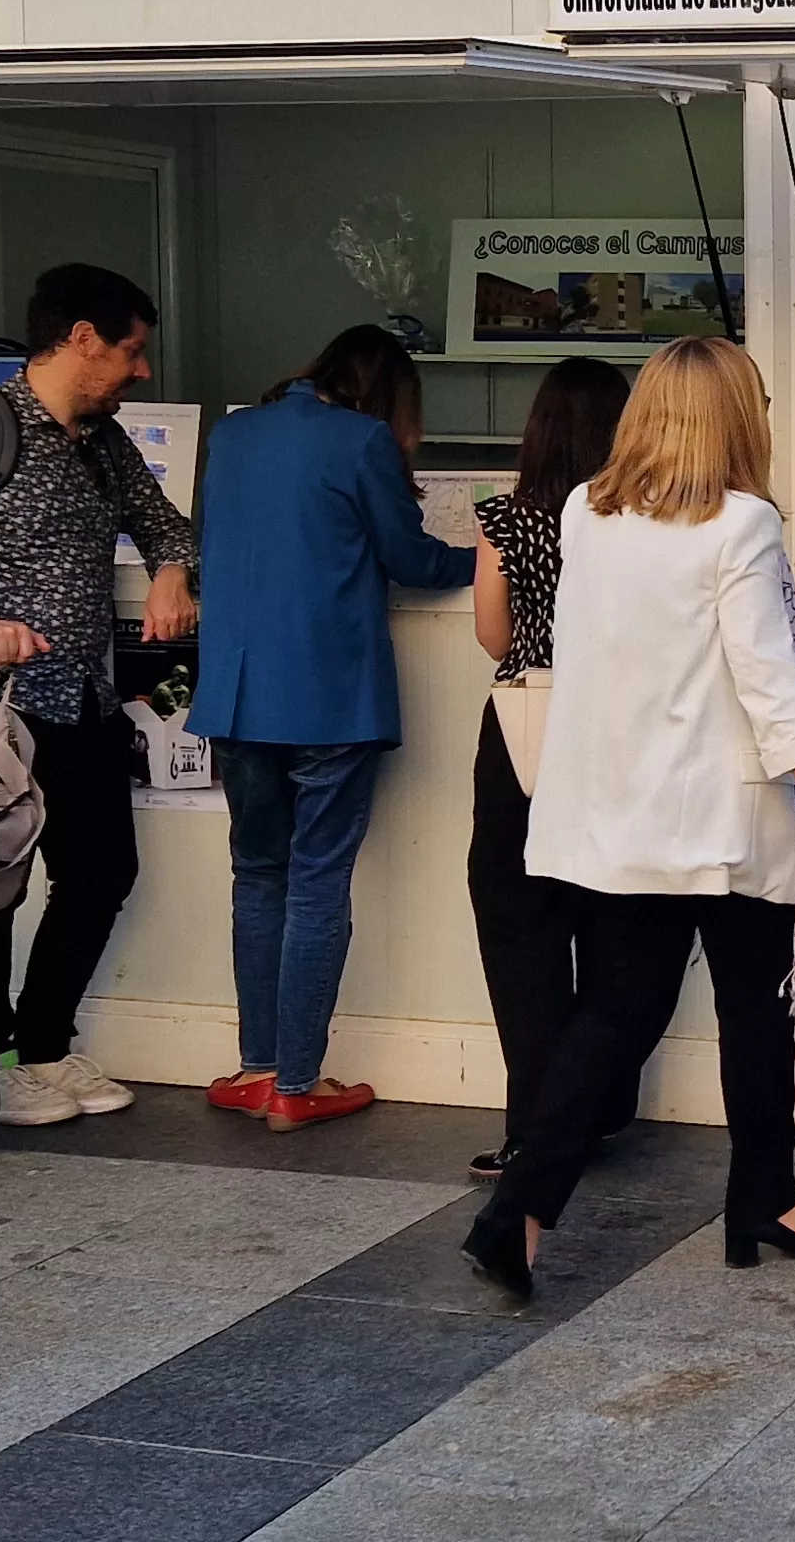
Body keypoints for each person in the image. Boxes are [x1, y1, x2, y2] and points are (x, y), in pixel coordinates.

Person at [463, 336, 795, 1298]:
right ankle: (765, 1198)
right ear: (735, 417)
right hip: (726, 815)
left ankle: (518, 1209)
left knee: (614, 1013)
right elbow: (764, 676)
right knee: (756, 1012)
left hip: (622, 812)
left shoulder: (588, 514)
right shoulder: (744, 524)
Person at [0, 263, 200, 1128]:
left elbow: (167, 523)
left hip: (81, 700)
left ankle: (46, 1046)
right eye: (131, 351)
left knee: (100, 873)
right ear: (82, 338)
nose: (141, 370)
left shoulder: (100, 439)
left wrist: (171, 572)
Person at [189, 326, 476, 1133]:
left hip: (239, 698)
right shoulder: (364, 441)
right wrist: (484, 560)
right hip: (328, 698)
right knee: (316, 881)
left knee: (257, 876)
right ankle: (300, 1084)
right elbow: (412, 562)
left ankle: (256, 1069)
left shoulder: (236, 432)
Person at [466, 356, 637, 1181]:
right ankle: (600, 1106)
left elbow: (493, 637)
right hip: (621, 731)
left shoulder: (509, 517)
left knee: (518, 924)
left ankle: (535, 1124)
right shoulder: (638, 520)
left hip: (525, 730)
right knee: (615, 919)